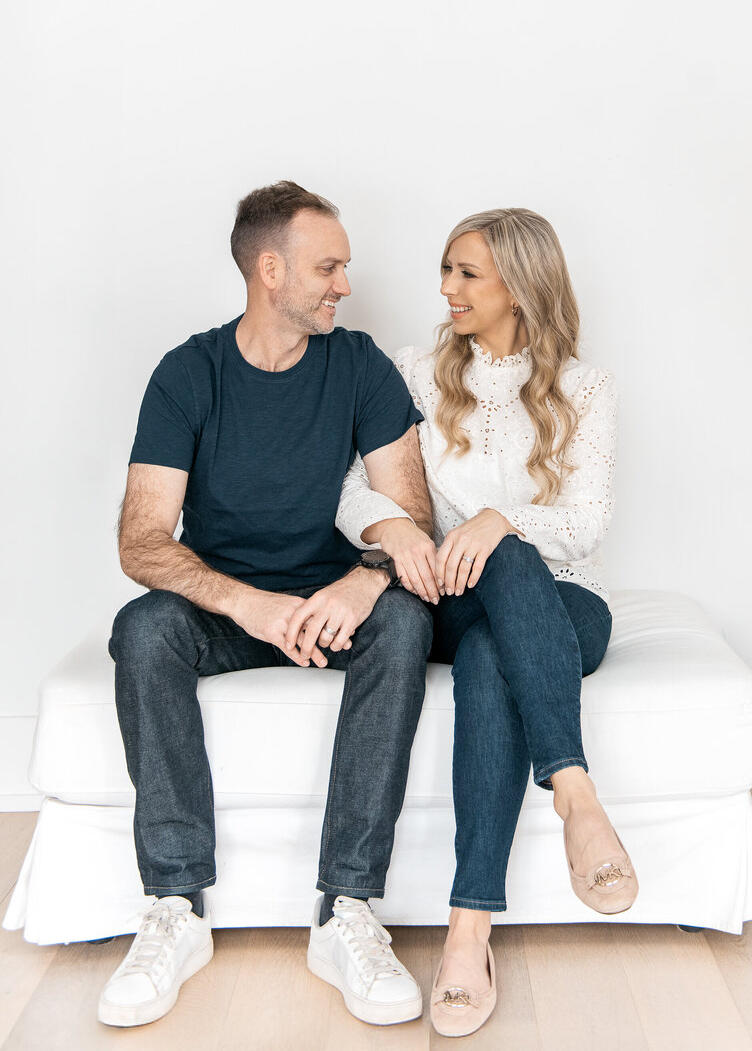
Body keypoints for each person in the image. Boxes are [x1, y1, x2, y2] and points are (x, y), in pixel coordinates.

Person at [99, 181, 435, 1030]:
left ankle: (347, 909)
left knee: (404, 620)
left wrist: (362, 580)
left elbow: (411, 516)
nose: (345, 285)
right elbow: (141, 540)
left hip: (333, 604)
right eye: (329, 267)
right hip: (228, 610)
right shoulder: (188, 373)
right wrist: (244, 604)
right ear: (270, 269)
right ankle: (175, 907)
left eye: (346, 268)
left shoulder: (359, 365)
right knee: (143, 629)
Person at [336, 207, 637, 1037]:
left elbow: (587, 519)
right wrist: (398, 529)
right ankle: (574, 791)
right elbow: (351, 488)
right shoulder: (413, 374)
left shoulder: (586, 387)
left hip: (563, 602)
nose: (446, 289)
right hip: (441, 597)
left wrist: (498, 522)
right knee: (481, 611)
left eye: (468, 273)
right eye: (446, 269)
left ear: (521, 282)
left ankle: (469, 931)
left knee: (490, 639)